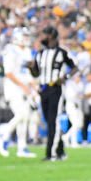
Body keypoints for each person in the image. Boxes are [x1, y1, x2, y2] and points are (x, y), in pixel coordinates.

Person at [29, 26, 74, 160]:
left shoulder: (61, 52)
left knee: (53, 120)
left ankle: (51, 153)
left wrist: (64, 77)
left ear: (51, 36)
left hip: (55, 88)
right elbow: (36, 73)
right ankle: (60, 150)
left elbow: (74, 67)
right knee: (49, 121)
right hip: (43, 89)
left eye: (44, 34)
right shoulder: (40, 54)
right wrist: (31, 68)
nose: (41, 37)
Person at [0, 27, 37, 158]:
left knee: (25, 118)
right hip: (13, 88)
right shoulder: (10, 50)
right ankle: (4, 134)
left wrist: (32, 86)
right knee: (21, 114)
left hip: (25, 87)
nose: (26, 39)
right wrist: (23, 86)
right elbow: (9, 73)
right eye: (24, 36)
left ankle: (22, 147)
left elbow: (28, 72)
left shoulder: (27, 51)